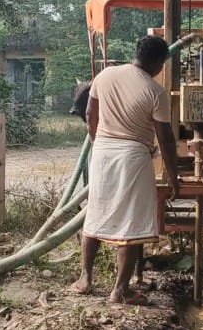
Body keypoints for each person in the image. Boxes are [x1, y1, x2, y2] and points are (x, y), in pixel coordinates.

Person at [70, 35, 180, 305]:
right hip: (133, 158)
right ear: (159, 63)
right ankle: (121, 290)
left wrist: (99, 142)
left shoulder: (105, 75)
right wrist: (174, 177)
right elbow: (166, 140)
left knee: (95, 214)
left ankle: (85, 278)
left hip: (102, 153)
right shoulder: (155, 92)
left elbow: (90, 115)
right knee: (132, 225)